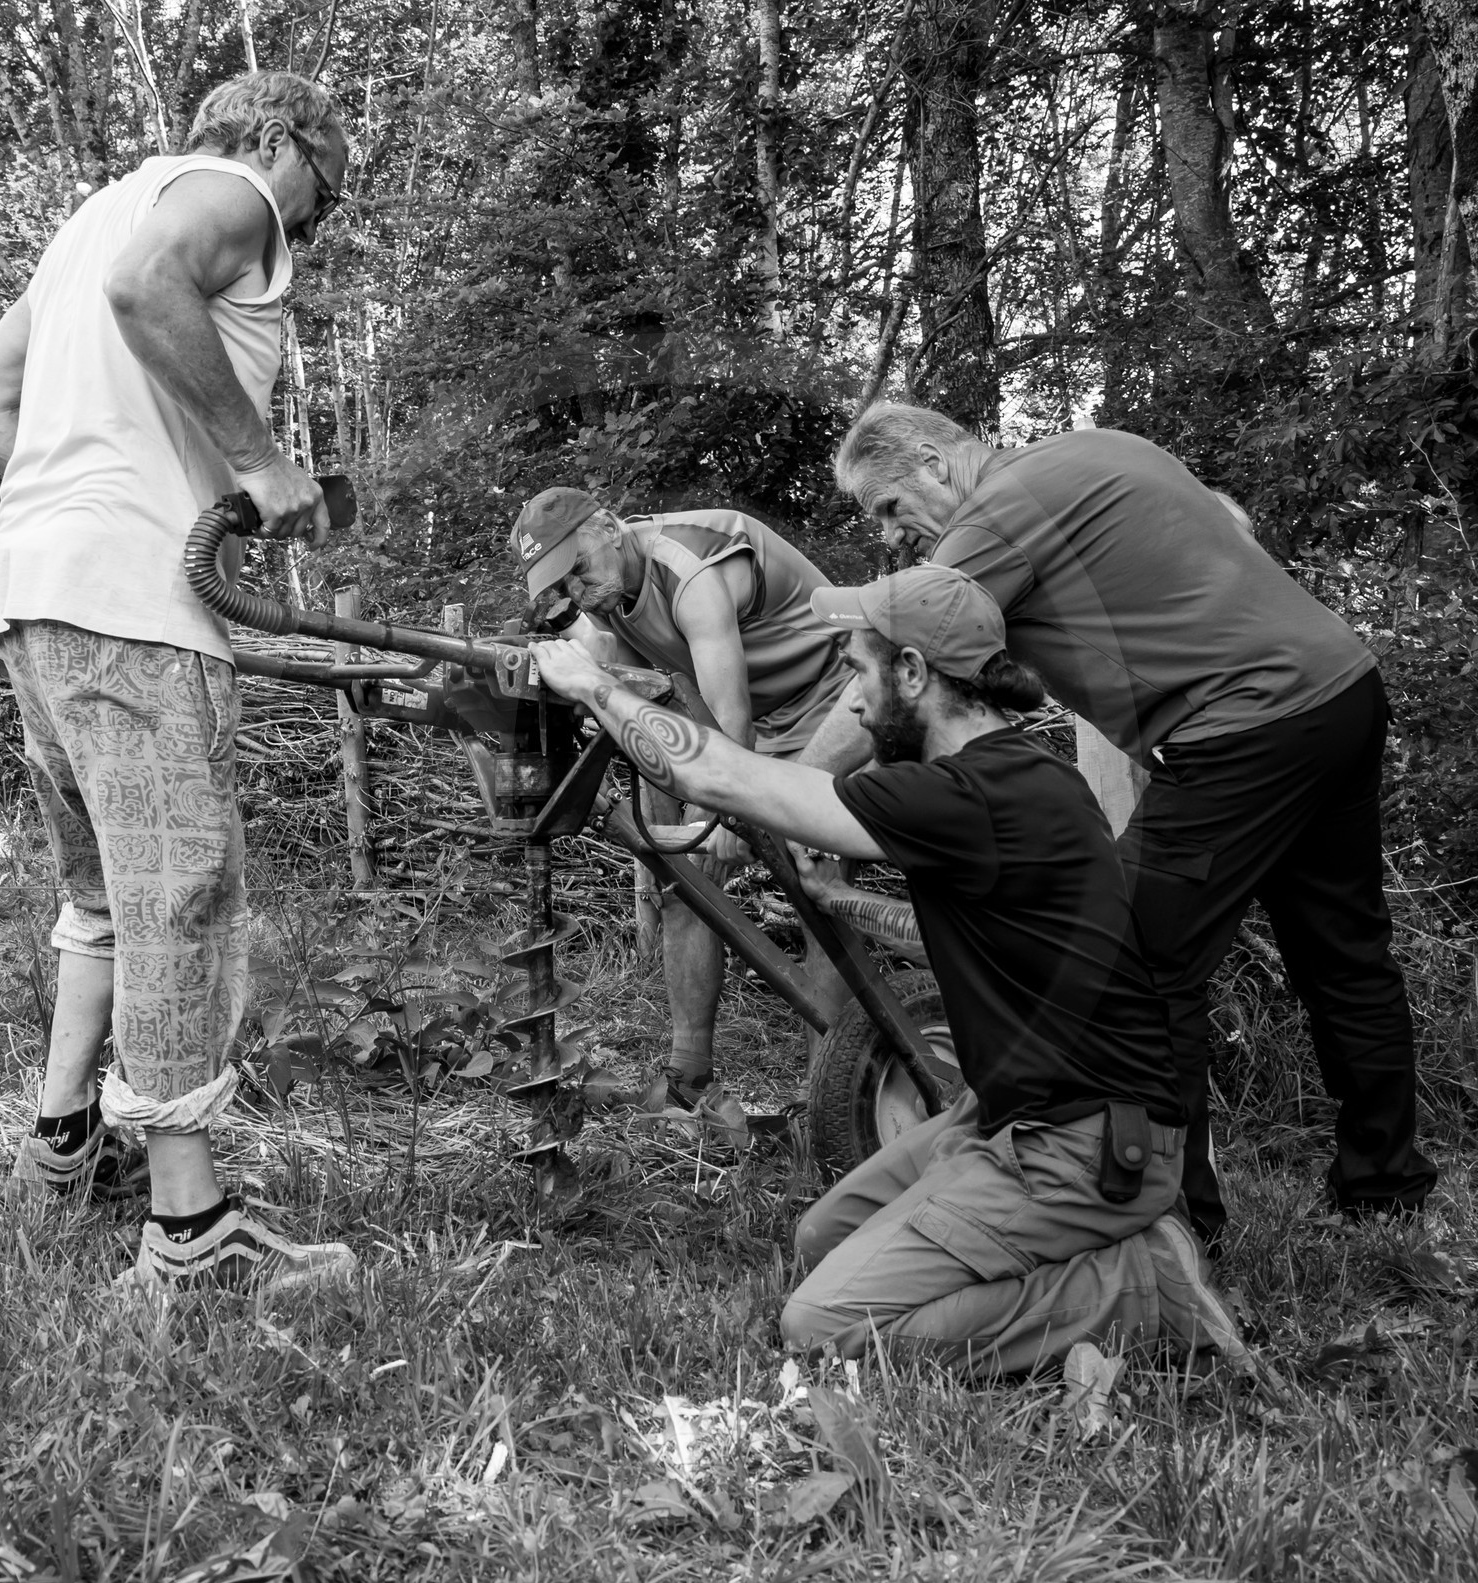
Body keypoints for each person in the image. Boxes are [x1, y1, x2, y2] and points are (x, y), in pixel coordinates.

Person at [532, 565, 1272, 1376]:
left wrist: (592, 685)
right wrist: (835, 899)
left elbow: (717, 776)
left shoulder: (967, 794)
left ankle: (1142, 1285)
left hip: (1082, 1145)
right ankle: (1044, 1246)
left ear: (915, 673)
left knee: (822, 1327)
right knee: (822, 1238)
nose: (850, 701)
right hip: (1011, 1115)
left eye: (857, 669)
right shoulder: (1025, 778)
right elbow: (952, 930)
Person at [806, 403, 1438, 1247]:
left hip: (1245, 727)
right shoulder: (1101, 449)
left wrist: (786, 790)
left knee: (1132, 963)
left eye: (888, 507)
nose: (889, 536)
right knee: (1346, 951)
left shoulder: (994, 515)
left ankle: (1176, 1223)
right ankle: (1385, 1186)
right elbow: (1226, 532)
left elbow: (897, 666)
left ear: (933, 458)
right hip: (1340, 687)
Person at [0, 71, 358, 1294]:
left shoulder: (92, 218)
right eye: (326, 190)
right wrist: (258, 460)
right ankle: (191, 1232)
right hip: (133, 608)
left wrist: (79, 494)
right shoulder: (234, 194)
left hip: (34, 596)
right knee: (182, 887)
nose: (317, 223)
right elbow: (149, 292)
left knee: (106, 893)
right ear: (284, 140)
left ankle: (65, 1136)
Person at [509, 489, 861, 1104]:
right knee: (683, 882)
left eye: (579, 568)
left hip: (828, 702)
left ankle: (828, 1092)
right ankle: (687, 1077)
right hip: (740, 715)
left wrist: (724, 810)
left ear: (612, 529)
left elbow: (730, 715)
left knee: (817, 879)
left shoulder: (691, 566)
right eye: (560, 582)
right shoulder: (607, 594)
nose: (575, 591)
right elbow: (635, 698)